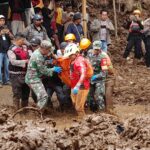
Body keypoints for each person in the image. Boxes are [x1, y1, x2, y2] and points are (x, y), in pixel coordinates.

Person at [25, 40, 62, 110]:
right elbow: (44, 71)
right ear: (44, 49)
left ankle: (39, 109)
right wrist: (53, 69)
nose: (49, 52)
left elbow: (42, 63)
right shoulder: (38, 56)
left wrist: (49, 62)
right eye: (48, 50)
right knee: (43, 96)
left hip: (34, 77)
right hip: (33, 78)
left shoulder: (38, 52)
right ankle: (39, 112)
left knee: (40, 96)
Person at [63, 43, 90, 116]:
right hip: (74, 85)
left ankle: (83, 122)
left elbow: (83, 73)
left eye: (70, 55)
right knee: (75, 103)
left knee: (79, 107)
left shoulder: (79, 61)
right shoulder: (73, 60)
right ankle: (82, 119)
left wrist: (77, 86)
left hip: (81, 86)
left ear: (76, 53)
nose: (69, 57)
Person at [88, 41, 113, 112]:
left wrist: (96, 76)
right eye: (95, 49)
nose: (96, 51)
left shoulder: (103, 57)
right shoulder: (89, 53)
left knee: (99, 96)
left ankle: (102, 112)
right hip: (90, 77)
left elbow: (104, 72)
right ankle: (92, 111)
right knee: (89, 96)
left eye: (98, 49)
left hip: (99, 79)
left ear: (100, 49)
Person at [7, 33, 30, 111]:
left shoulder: (25, 47)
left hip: (26, 73)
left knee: (26, 92)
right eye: (22, 40)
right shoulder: (11, 49)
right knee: (17, 92)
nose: (24, 41)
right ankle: (16, 111)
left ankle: (25, 110)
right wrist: (25, 61)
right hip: (15, 74)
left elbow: (30, 54)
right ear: (18, 40)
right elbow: (13, 61)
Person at [0, 15, 14, 87]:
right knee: (0, 66)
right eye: (1, 20)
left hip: (6, 50)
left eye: (3, 20)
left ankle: (7, 80)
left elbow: (12, 38)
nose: (2, 22)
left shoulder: (6, 28)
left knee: (7, 66)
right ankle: (0, 81)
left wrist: (9, 33)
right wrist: (0, 33)